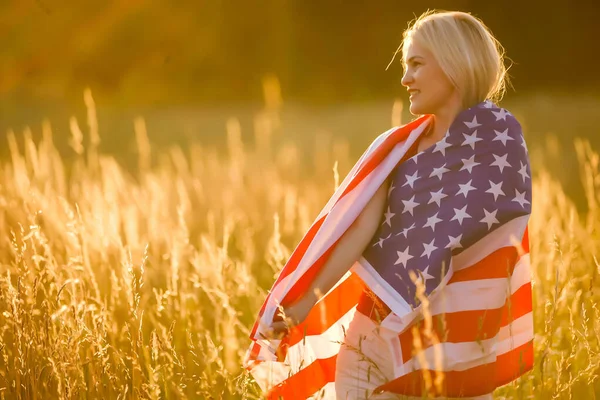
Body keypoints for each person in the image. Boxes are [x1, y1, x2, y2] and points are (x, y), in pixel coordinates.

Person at [247, 10, 533, 400]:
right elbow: (359, 233)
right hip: (372, 332)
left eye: (416, 64)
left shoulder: (498, 138)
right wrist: (299, 308)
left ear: (453, 63)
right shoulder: (399, 147)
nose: (405, 79)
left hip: (447, 342)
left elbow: (499, 236)